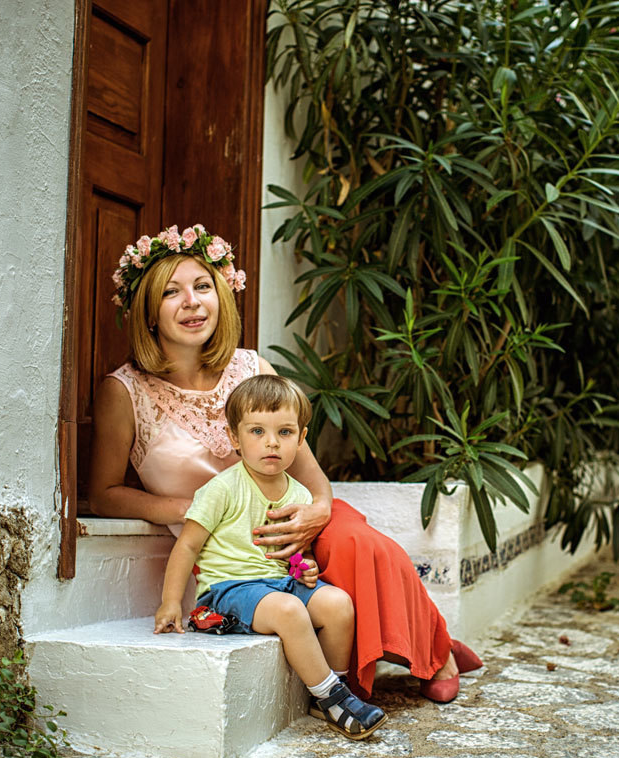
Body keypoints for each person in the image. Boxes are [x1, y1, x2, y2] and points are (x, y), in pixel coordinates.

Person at [90, 224, 482, 704]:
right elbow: (102, 493)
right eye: (171, 292)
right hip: (233, 543)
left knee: (359, 543)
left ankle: (435, 652)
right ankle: (413, 653)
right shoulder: (123, 391)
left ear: (222, 296)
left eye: (203, 286)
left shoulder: (252, 368)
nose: (191, 302)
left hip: (290, 517)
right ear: (148, 312)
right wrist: (190, 508)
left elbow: (312, 476)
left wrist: (319, 509)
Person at [153, 374, 386, 740]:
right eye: (257, 431)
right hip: (229, 591)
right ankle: (334, 698)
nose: (271, 443)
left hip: (280, 584)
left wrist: (306, 569)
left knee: (339, 604)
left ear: (301, 438)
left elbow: (297, 557)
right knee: (290, 610)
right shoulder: (222, 489)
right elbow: (186, 545)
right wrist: (169, 602)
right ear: (234, 438)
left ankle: (331, 692)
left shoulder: (301, 495)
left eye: (285, 432)